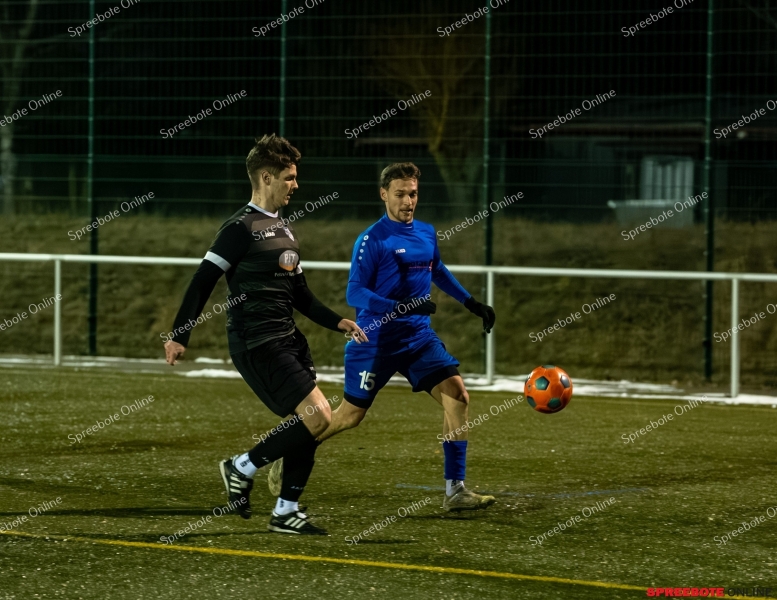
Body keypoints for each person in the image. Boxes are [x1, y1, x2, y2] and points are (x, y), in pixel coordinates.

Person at [163, 134, 366, 535]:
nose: (296, 185)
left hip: (287, 339)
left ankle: (286, 511)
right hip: (256, 343)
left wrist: (338, 321)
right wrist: (179, 334)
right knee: (318, 414)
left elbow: (301, 295)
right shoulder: (240, 228)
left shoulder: (284, 231)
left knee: (314, 422)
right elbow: (203, 279)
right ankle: (241, 466)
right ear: (266, 177)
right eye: (289, 178)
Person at [268, 162, 497, 511]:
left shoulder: (426, 232)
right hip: (374, 340)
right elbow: (355, 293)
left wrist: (471, 302)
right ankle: (292, 450)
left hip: (418, 338)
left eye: (414, 194)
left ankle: (456, 490)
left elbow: (438, 269)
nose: (408, 201)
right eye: (401, 194)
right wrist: (398, 306)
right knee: (348, 416)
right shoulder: (372, 240)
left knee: (458, 396)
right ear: (383, 194)